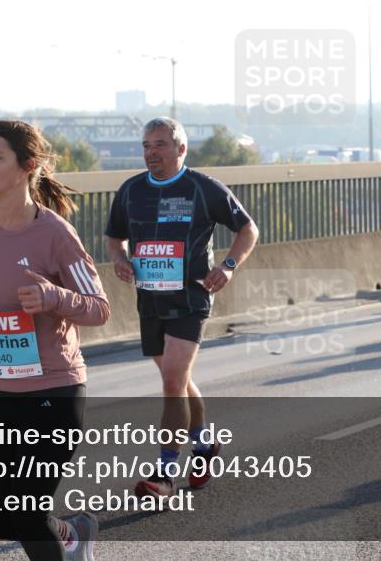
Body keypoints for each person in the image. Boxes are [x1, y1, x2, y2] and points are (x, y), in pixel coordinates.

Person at [0, 120, 110, 561]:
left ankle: (59, 539)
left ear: (26, 167)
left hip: (52, 391)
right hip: (0, 391)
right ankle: (73, 532)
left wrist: (52, 296)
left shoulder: (54, 233)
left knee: (26, 512)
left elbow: (99, 307)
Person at [105, 117, 258, 498]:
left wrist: (228, 266)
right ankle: (204, 444)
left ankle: (165, 473)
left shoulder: (202, 189)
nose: (150, 152)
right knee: (180, 381)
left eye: (159, 144)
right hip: (150, 300)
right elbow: (114, 237)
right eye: (145, 145)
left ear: (180, 149)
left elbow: (248, 229)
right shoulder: (130, 190)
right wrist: (119, 259)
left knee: (172, 381)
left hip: (191, 297)